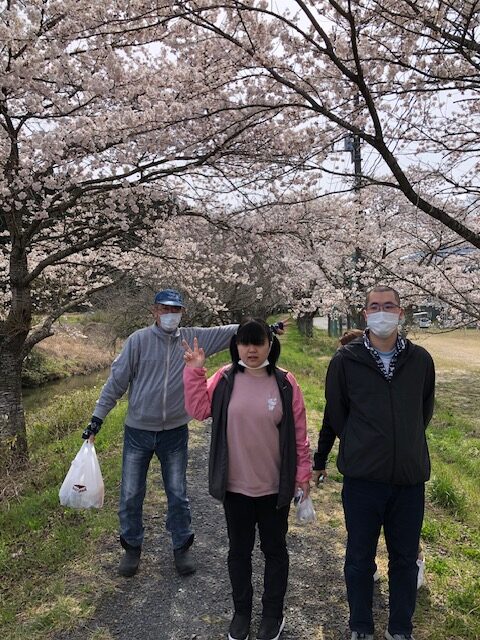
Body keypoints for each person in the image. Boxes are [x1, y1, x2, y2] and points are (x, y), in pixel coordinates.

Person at [82, 288, 285, 578]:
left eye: (175, 310)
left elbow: (228, 332)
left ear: (181, 313)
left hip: (175, 430)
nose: (169, 315)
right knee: (130, 493)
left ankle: (181, 547)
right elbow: (116, 382)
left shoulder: (191, 338)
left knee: (177, 493)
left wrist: (265, 329)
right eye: (164, 309)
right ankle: (131, 547)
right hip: (138, 430)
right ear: (154, 311)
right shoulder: (138, 341)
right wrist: (96, 419)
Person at [182, 318, 311, 640]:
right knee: (239, 552)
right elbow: (198, 410)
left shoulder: (284, 382)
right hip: (236, 487)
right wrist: (195, 371)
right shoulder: (224, 379)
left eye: (258, 342)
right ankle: (241, 613)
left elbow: (299, 433)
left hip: (273, 487)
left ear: (270, 344)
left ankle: (272, 614)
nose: (251, 349)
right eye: (244, 342)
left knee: (275, 551)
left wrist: (302, 476)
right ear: (236, 345)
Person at [322, 285, 435, 640]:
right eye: (375, 306)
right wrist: (359, 446)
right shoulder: (345, 360)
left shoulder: (421, 361)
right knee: (359, 558)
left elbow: (423, 413)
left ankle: (400, 628)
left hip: (408, 478)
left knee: (404, 559)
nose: (382, 311)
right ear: (365, 314)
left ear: (401, 313)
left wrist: (402, 444)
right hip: (363, 480)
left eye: (389, 305)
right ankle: (360, 626)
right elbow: (336, 414)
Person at [313, 328, 425, 589]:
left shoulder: (400, 374)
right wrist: (321, 460)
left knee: (404, 533)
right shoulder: (344, 376)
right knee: (364, 531)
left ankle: (416, 562)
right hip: (364, 468)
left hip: (401, 469)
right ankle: (369, 567)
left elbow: (420, 415)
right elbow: (331, 421)